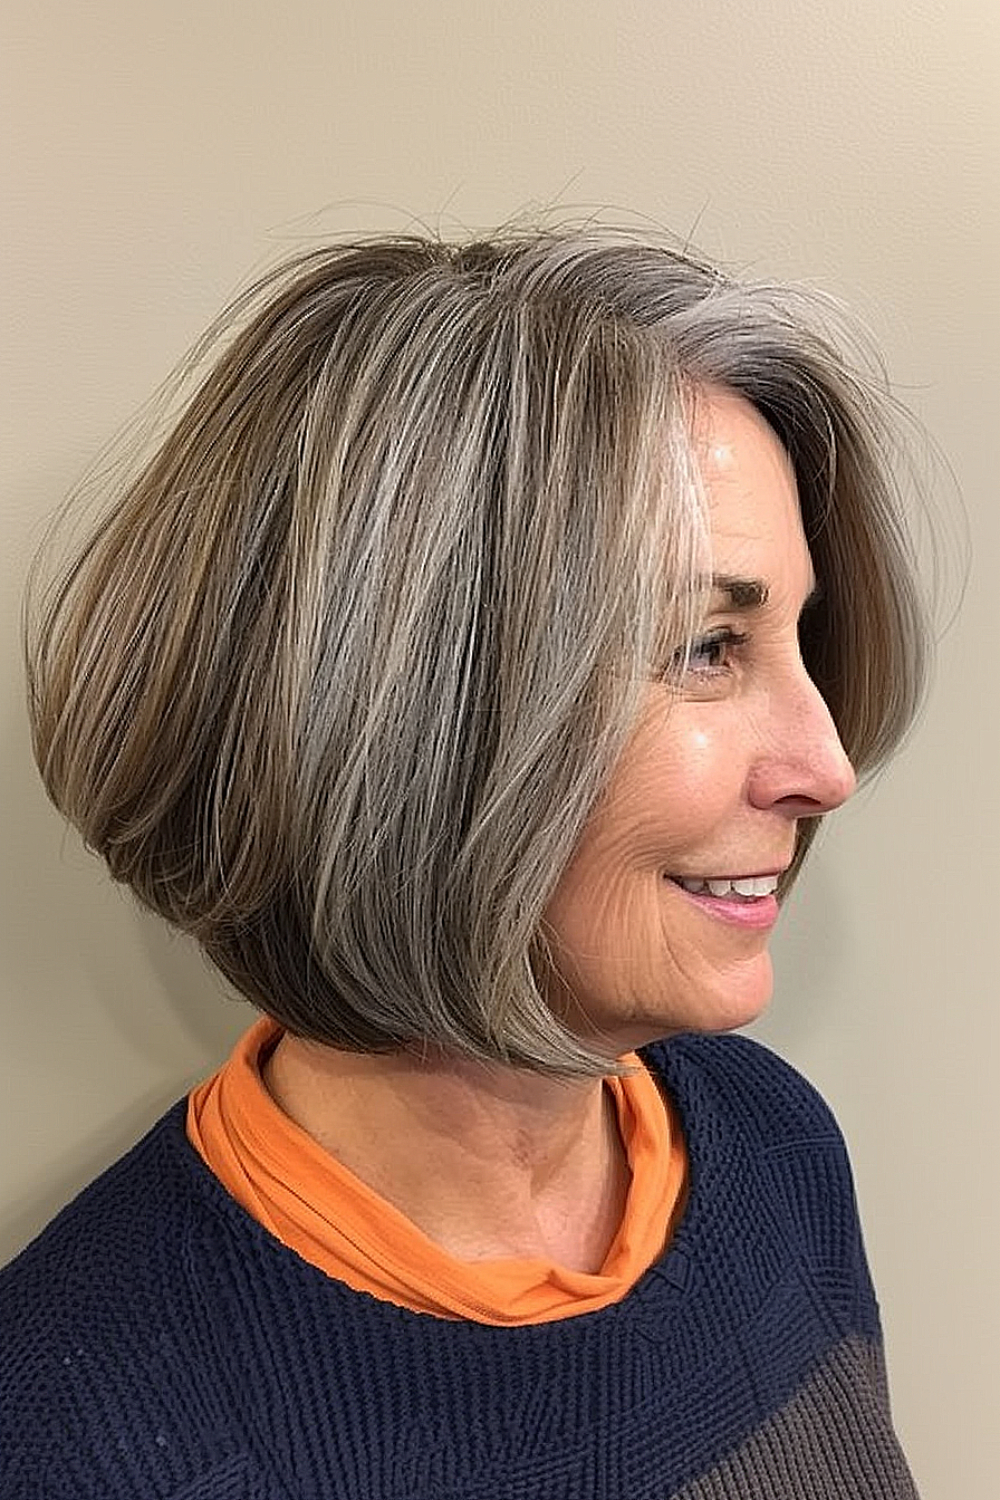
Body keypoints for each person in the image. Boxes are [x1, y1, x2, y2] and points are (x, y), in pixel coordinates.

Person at [1, 229, 926, 1498]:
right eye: (709, 647)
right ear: (398, 728)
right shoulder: (74, 1433)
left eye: (797, 638)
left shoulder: (771, 1149)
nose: (826, 766)